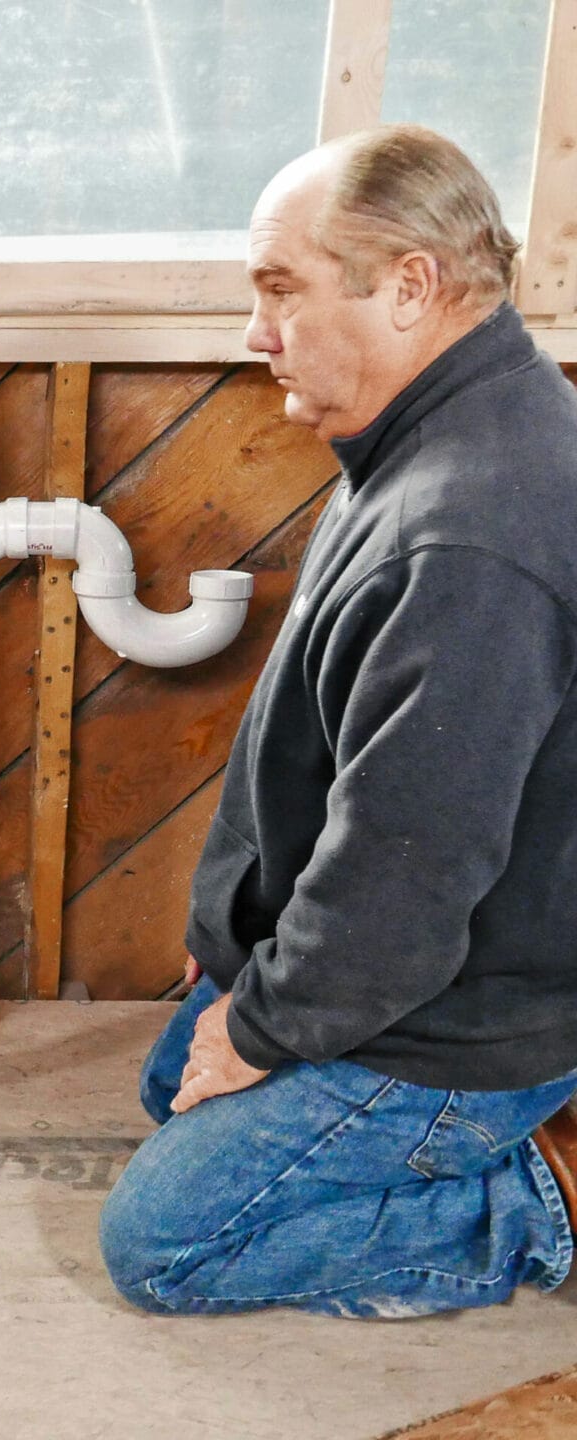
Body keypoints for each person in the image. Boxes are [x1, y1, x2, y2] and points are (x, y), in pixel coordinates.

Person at [99, 125, 577, 1319]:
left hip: (466, 1011)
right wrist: (239, 964)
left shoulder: (468, 536)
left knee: (164, 1244)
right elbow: (345, 770)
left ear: (410, 286)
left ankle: (546, 1192)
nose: (256, 333)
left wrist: (263, 1029)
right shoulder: (431, 438)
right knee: (171, 1091)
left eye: (281, 289)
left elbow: (406, 875)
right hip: (419, 959)